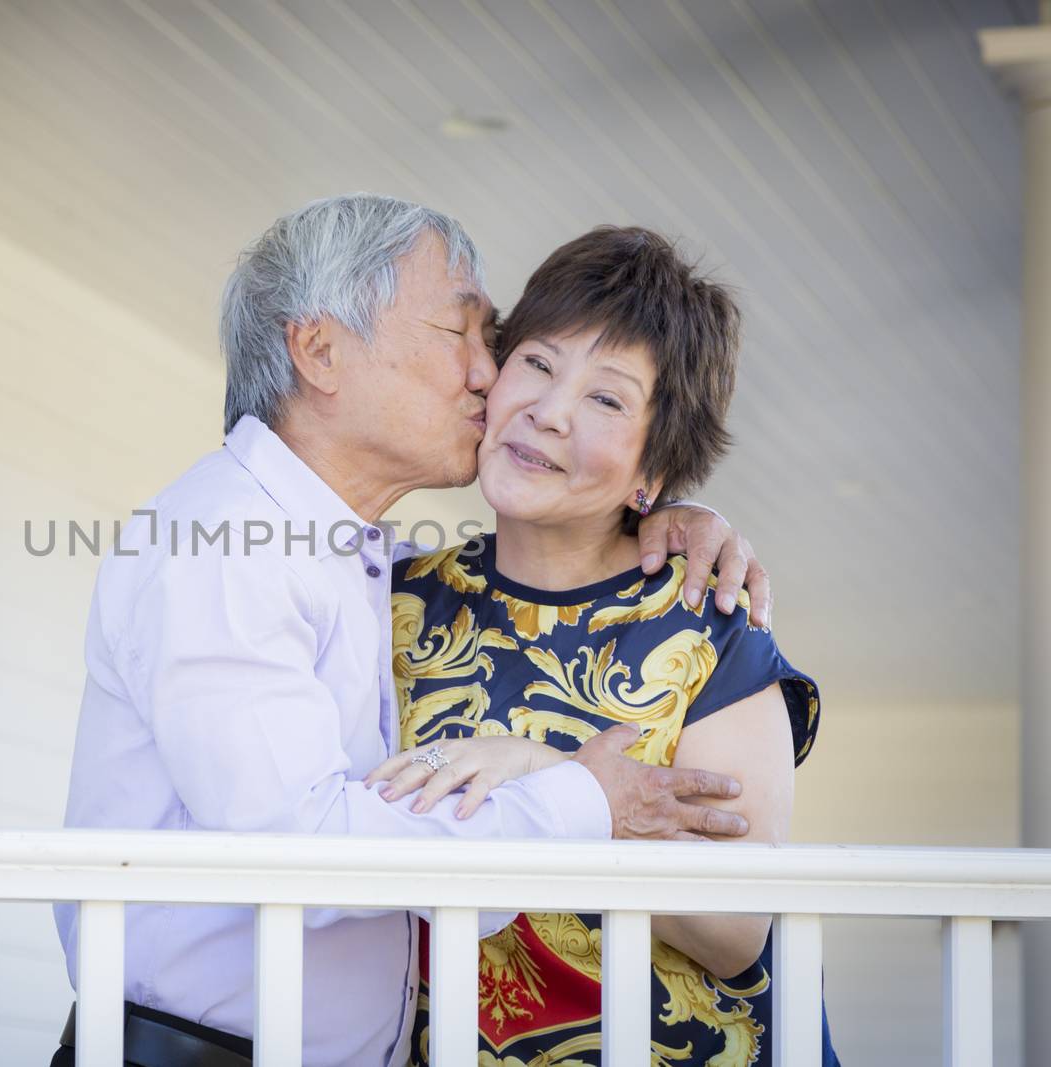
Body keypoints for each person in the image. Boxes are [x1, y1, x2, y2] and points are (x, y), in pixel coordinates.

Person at [52, 195, 775, 1067]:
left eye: (489, 342)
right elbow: (304, 848)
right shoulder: (232, 547)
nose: (489, 375)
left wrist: (683, 514)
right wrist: (582, 796)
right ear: (319, 351)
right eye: (467, 337)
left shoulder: (358, 560)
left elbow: (743, 920)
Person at [370, 226, 839, 1065]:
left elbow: (736, 929)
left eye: (607, 399)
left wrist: (548, 775)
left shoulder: (709, 621)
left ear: (652, 471)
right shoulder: (399, 604)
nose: (549, 412)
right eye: (540, 365)